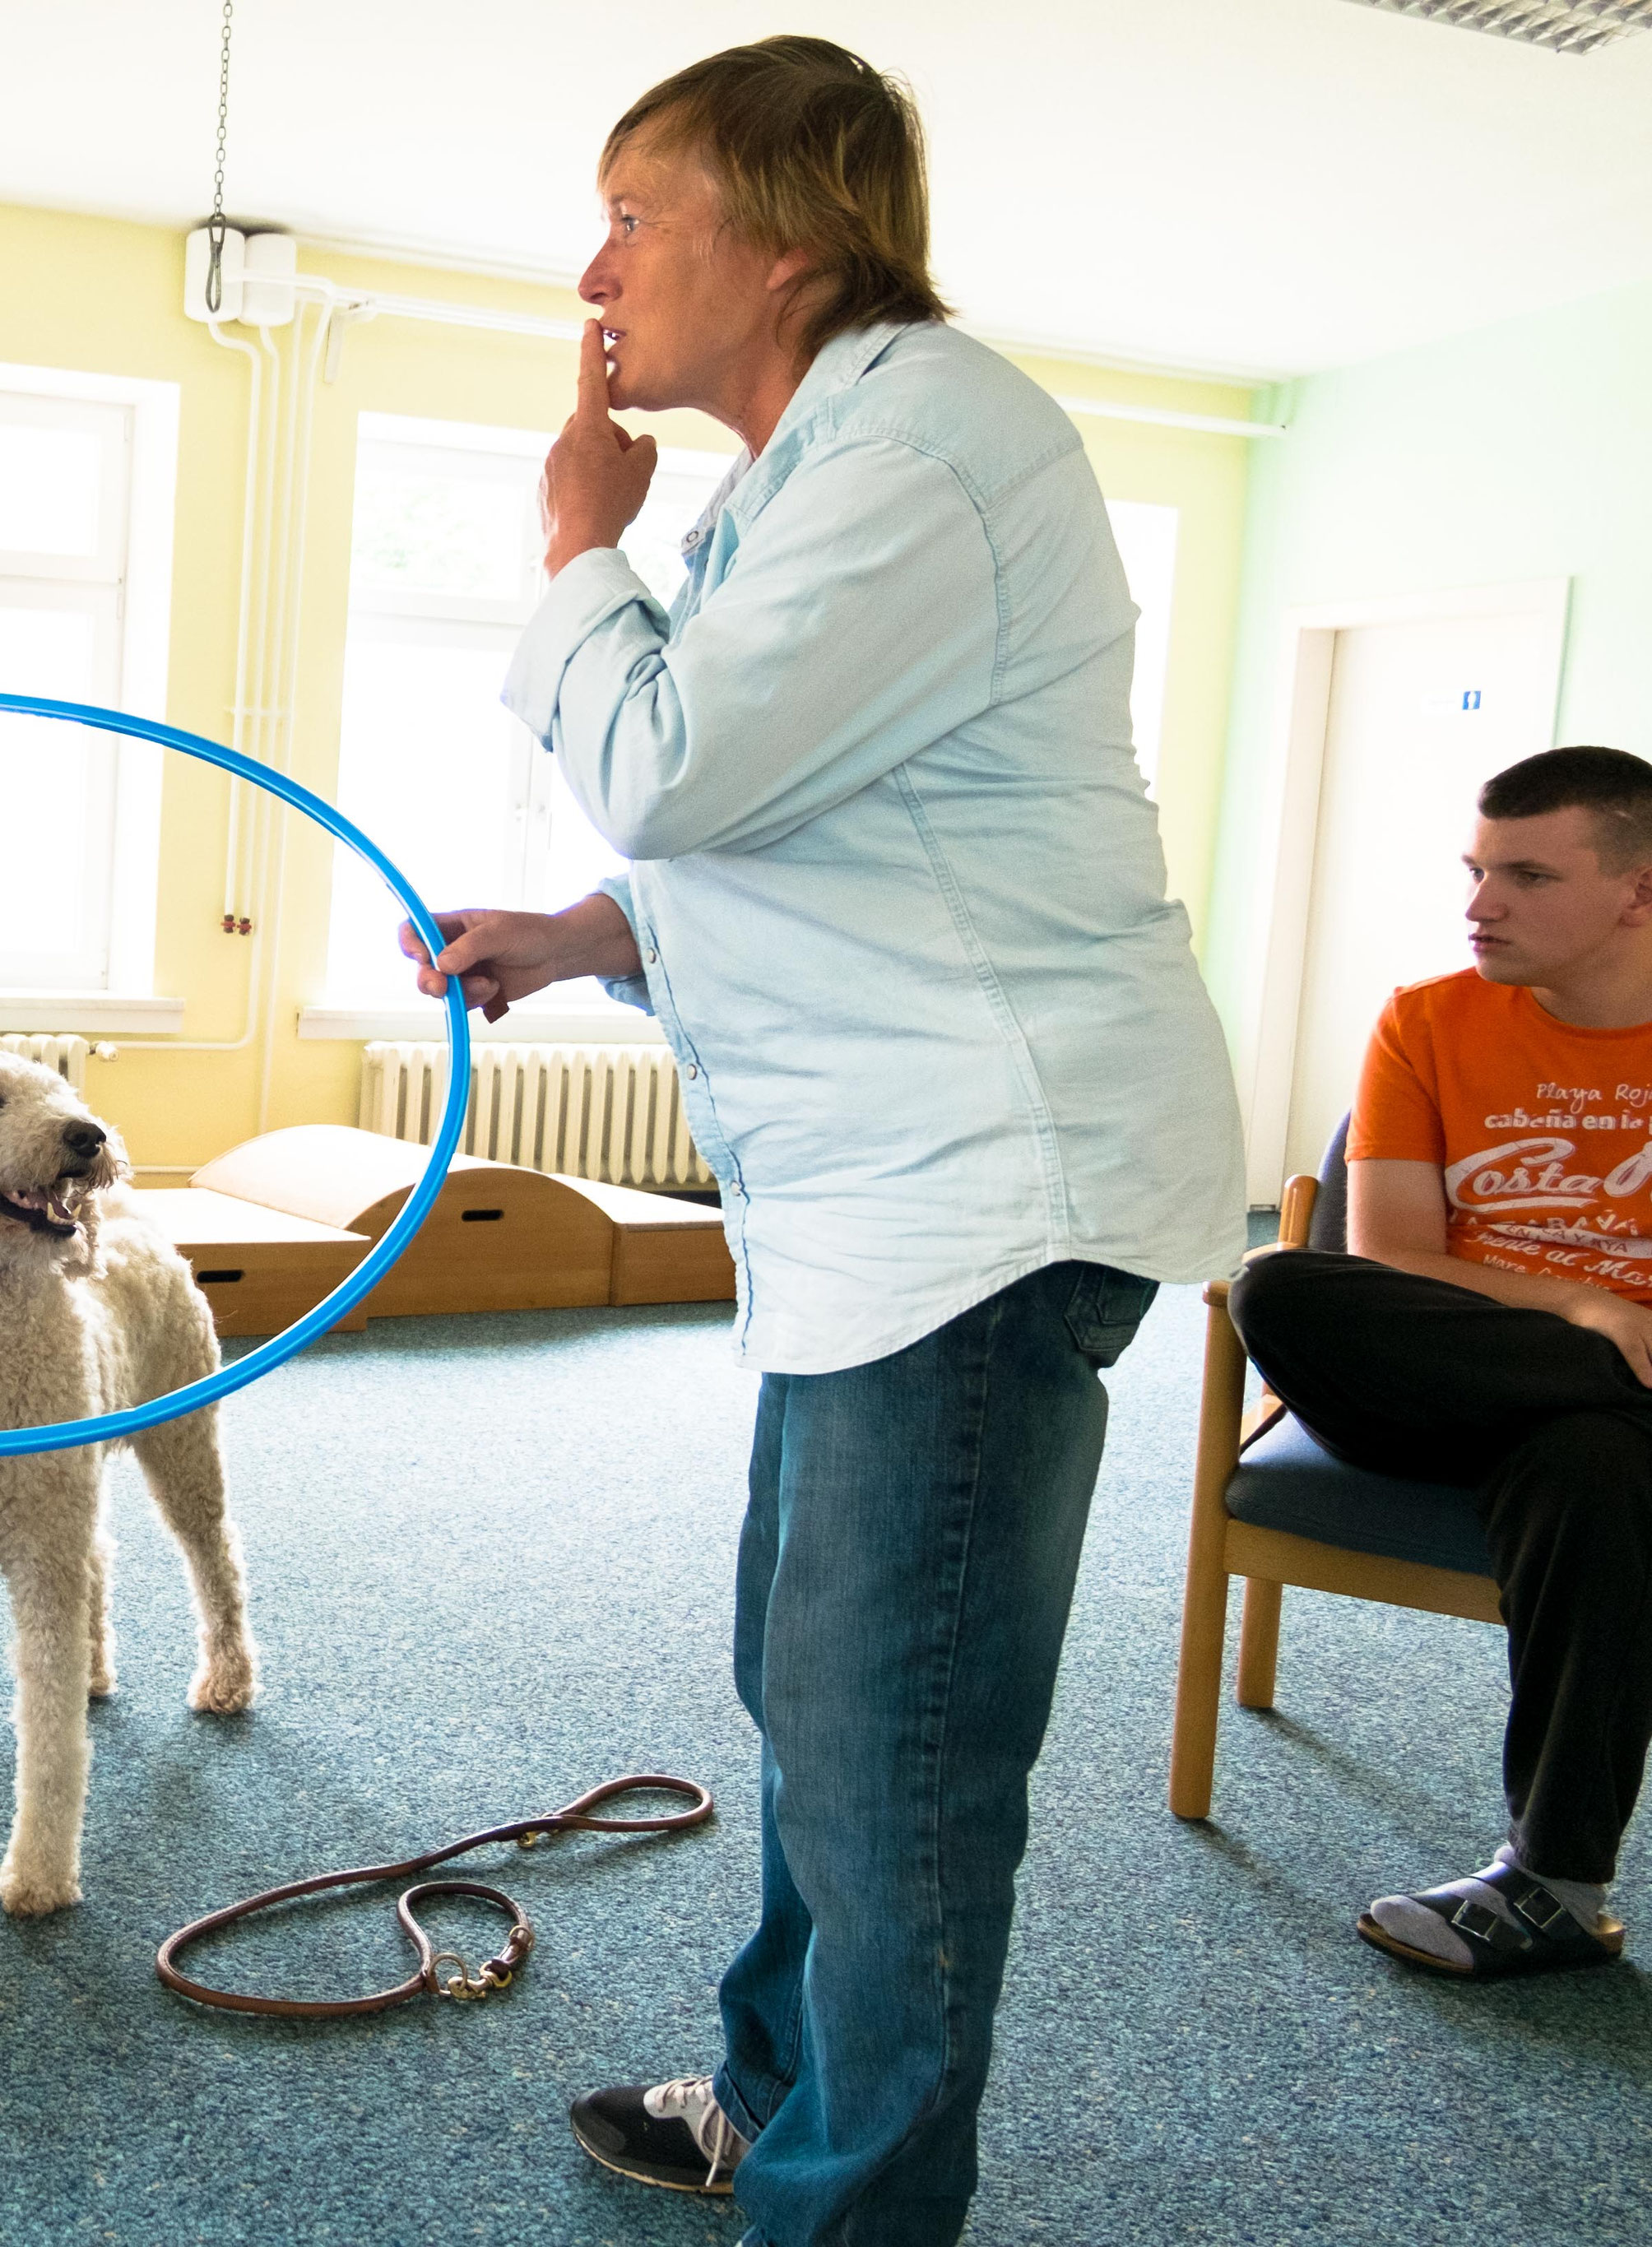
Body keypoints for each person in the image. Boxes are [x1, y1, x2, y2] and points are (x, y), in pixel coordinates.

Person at [402, 39, 1244, 2244]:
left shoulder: (925, 444)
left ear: (788, 240)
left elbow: (675, 763)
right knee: (820, 1702)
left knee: (893, 1763)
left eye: (633, 214)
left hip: (975, 1201)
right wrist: (584, 933)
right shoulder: (823, 467)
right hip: (886, 1206)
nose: (593, 270)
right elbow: (802, 821)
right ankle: (772, 2105)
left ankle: (843, 2204)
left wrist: (576, 547)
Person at [1229, 745, 1652, 1981]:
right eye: (1476, 871)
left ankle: (1556, 1889)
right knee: (1278, 1286)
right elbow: (1394, 1259)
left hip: (1588, 1429)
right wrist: (1580, 1303)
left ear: (1639, 891)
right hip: (1440, 1379)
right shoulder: (1428, 1018)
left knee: (1593, 1464)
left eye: (1527, 876)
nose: (1481, 905)